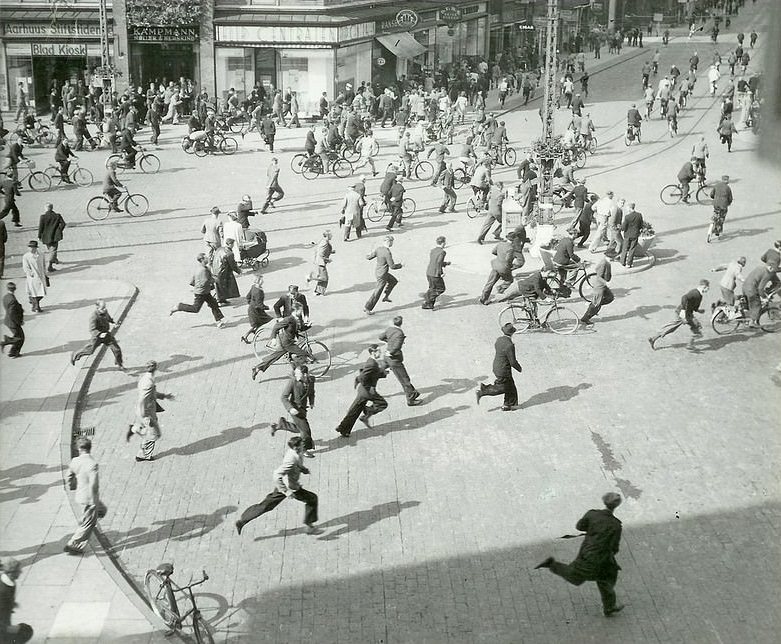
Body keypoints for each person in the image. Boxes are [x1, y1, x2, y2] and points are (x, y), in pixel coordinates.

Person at [535, 492, 625, 618]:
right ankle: (552, 565)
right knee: (576, 577)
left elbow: (579, 526)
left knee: (606, 579)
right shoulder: (615, 525)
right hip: (597, 558)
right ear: (616, 506)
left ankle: (609, 607)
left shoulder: (592, 514)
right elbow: (614, 547)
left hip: (588, 552)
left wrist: (593, 531)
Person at [235, 436, 319, 535]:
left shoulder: (295, 452)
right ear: (296, 447)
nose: (304, 445)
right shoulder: (291, 460)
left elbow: (297, 464)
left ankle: (242, 520)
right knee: (312, 499)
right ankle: (310, 527)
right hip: (290, 487)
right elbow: (277, 475)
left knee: (266, 505)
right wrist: (287, 492)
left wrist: (302, 469)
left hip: (285, 485)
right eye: (302, 444)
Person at [335, 344, 389, 436]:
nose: (380, 352)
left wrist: (383, 373)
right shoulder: (372, 363)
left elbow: (370, 373)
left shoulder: (372, 362)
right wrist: (369, 388)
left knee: (355, 410)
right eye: (378, 351)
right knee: (382, 404)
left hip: (364, 391)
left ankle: (343, 428)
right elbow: (363, 377)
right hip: (367, 391)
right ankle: (367, 412)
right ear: (373, 352)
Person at [126, 360, 174, 461]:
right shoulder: (148, 382)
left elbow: (152, 394)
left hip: (148, 410)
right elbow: (144, 398)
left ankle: (144, 452)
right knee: (155, 434)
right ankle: (141, 451)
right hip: (146, 412)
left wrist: (164, 396)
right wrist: (146, 417)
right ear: (155, 368)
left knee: (151, 433)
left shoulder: (145, 378)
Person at [63, 437, 104, 554]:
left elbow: (68, 477)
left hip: (80, 495)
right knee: (89, 523)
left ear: (80, 449)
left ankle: (87, 519)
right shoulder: (92, 464)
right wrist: (94, 500)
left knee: (89, 517)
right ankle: (73, 543)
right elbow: (94, 485)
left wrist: (72, 486)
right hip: (89, 497)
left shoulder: (75, 461)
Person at [250, 302, 309, 380]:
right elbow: (276, 327)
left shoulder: (296, 319)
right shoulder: (288, 319)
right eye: (300, 311)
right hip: (287, 343)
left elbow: (299, 329)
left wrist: (308, 326)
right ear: (295, 311)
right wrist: (273, 338)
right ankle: (295, 369)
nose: (301, 312)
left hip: (287, 341)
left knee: (274, 357)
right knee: (303, 353)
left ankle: (257, 368)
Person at [648, 280, 709, 349]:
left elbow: (693, 307)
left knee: (696, 326)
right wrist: (683, 311)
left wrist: (699, 310)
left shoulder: (699, 295)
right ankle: (653, 338)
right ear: (704, 287)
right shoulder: (695, 293)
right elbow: (684, 298)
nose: (708, 290)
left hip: (688, 314)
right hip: (682, 313)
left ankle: (690, 344)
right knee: (673, 327)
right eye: (707, 288)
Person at [271, 365, 317, 457]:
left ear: (305, 374)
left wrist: (311, 402)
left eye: (298, 374)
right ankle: (303, 450)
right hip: (295, 409)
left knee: (299, 428)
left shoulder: (311, 380)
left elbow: (311, 392)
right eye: (295, 373)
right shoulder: (293, 382)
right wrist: (290, 408)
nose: (296, 375)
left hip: (303, 409)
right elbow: (283, 397)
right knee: (306, 430)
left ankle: (282, 425)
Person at [169, 253, 225, 327]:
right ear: (202, 259)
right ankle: (179, 306)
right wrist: (213, 281)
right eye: (206, 258)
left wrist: (197, 287)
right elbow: (204, 282)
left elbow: (192, 281)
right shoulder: (203, 270)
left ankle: (218, 321)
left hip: (204, 291)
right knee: (195, 309)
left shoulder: (199, 268)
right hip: (201, 293)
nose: (207, 259)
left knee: (213, 304)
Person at [476, 322, 522, 411]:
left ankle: (508, 405)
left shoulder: (499, 340)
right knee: (502, 388)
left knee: (510, 386)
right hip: (503, 370)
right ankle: (483, 391)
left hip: (497, 366)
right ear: (512, 333)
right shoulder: (509, 345)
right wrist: (519, 368)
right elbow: (512, 362)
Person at [70, 300, 125, 369]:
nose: (104, 309)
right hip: (97, 337)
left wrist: (113, 323)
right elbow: (92, 329)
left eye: (105, 307)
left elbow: (108, 318)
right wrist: (99, 334)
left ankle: (119, 364)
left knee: (116, 349)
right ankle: (75, 354)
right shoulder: (94, 317)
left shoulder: (105, 312)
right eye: (102, 308)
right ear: (97, 308)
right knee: (89, 350)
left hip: (106, 334)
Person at [379, 316, 421, 406]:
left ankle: (365, 379)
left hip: (386, 357)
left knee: (378, 370)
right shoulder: (400, 333)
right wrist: (391, 352)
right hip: (394, 360)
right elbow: (397, 346)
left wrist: (388, 341)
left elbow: (380, 337)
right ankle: (411, 399)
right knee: (404, 379)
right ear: (401, 323)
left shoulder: (389, 329)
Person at [364, 235, 402, 315]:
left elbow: (369, 257)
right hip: (383, 274)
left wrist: (368, 254)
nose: (392, 244)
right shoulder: (387, 252)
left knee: (393, 281)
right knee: (377, 292)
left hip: (378, 271)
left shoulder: (378, 249)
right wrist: (400, 265)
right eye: (392, 242)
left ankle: (386, 296)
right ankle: (368, 307)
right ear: (389, 242)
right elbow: (392, 266)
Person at [0, 557, 33, 642]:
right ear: (12, 573)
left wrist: (12, 603)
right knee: (25, 631)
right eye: (19, 571)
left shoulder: (11, 582)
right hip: (2, 627)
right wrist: (8, 628)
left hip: (5, 620)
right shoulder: (2, 591)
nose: (21, 572)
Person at [479, 236, 514, 304]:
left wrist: (500, 257)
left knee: (490, 282)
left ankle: (483, 298)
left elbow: (493, 252)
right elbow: (508, 260)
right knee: (509, 280)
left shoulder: (500, 244)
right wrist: (510, 266)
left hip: (495, 265)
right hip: (504, 268)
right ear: (513, 241)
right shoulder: (511, 248)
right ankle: (500, 289)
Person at [580, 256, 614, 325]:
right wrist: (606, 282)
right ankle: (585, 318)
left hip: (603, 286)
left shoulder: (606, 261)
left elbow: (596, 269)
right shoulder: (603, 263)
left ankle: (594, 305)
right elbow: (598, 277)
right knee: (595, 305)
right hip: (600, 286)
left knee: (610, 298)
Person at [241, 273, 273, 344]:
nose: (263, 281)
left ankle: (249, 335)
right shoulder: (259, 291)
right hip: (256, 312)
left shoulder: (253, 287)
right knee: (265, 321)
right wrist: (268, 307)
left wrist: (252, 304)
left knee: (257, 324)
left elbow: (247, 297)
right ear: (259, 281)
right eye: (262, 280)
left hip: (253, 310)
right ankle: (246, 336)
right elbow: (260, 305)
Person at [36, 203, 66, 273]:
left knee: (51, 249)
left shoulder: (43, 217)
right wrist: (59, 230)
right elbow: (63, 224)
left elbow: (40, 227)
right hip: (55, 236)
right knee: (53, 250)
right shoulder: (57, 216)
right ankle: (49, 265)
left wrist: (39, 236)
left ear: (46, 208)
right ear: (52, 208)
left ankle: (54, 259)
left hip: (46, 236)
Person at [422, 236, 449, 310]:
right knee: (441, 289)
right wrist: (441, 273)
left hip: (429, 272)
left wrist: (445, 263)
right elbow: (438, 262)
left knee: (432, 288)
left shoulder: (433, 250)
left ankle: (429, 304)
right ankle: (428, 298)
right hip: (435, 274)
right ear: (443, 243)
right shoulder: (442, 252)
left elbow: (435, 261)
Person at [212, 238, 241, 305]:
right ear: (230, 244)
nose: (233, 245)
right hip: (223, 272)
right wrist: (238, 271)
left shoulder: (220, 249)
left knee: (220, 286)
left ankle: (223, 299)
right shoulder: (229, 253)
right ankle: (219, 300)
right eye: (233, 244)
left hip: (216, 270)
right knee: (226, 286)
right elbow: (232, 265)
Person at [22, 240, 47, 313]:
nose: (31, 249)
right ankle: (37, 306)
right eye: (29, 247)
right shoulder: (26, 256)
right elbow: (25, 267)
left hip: (41, 275)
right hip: (32, 277)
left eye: (32, 247)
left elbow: (44, 264)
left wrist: (45, 273)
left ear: (36, 248)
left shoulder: (41, 254)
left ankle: (33, 302)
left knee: (41, 293)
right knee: (34, 292)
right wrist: (30, 273)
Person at [1, 282, 24, 358]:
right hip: (13, 322)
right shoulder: (12, 300)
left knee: (18, 336)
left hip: (8, 321)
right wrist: (19, 321)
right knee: (20, 338)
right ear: (15, 289)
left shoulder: (5, 297)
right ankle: (7, 342)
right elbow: (12, 314)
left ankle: (12, 352)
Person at [309, 229, 334, 296]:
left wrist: (331, 251)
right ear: (327, 236)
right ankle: (310, 278)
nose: (332, 236)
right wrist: (327, 259)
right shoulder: (325, 243)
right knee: (324, 278)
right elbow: (321, 254)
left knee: (323, 277)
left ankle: (318, 291)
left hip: (320, 262)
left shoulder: (324, 241)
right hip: (321, 262)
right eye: (331, 235)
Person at [619, 203, 643, 268]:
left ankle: (622, 262)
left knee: (625, 248)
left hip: (627, 235)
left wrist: (620, 227)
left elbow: (624, 227)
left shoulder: (627, 217)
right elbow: (641, 225)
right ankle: (629, 263)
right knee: (632, 249)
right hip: (635, 235)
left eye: (627, 208)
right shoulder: (639, 215)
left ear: (630, 208)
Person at [709, 175, 733, 240]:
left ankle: (714, 218)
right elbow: (730, 198)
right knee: (722, 217)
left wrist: (714, 198)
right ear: (727, 180)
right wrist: (729, 203)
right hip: (723, 205)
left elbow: (711, 194)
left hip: (716, 204)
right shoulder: (728, 188)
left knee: (716, 211)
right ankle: (718, 231)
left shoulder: (716, 185)